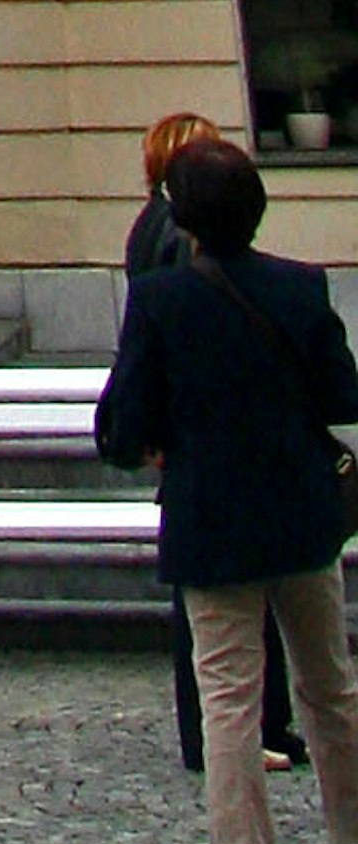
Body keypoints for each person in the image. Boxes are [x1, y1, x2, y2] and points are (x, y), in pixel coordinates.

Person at [97, 132, 358, 844]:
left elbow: (121, 422)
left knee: (230, 704)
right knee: (332, 694)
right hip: (300, 515)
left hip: (213, 522)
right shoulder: (299, 286)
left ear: (185, 219)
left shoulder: (163, 299)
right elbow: (341, 392)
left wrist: (159, 435)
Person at [137, 122, 306, 779]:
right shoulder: (179, 247)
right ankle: (238, 734)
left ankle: (250, 731)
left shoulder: (154, 232)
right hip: (221, 466)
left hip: (199, 466)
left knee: (225, 626)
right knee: (231, 635)